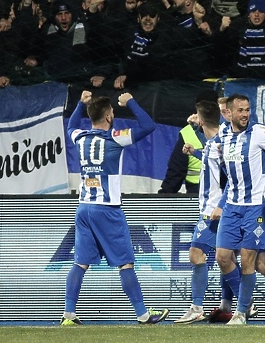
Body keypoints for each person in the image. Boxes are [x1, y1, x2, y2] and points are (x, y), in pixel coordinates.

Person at [62, 90, 169, 325]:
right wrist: (130, 101)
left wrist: (80, 104)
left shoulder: (80, 137)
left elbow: (70, 126)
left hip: (84, 207)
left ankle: (68, 314)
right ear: (109, 117)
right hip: (107, 209)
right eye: (112, 113)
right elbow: (148, 126)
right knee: (125, 262)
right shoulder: (115, 137)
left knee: (80, 262)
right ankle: (142, 315)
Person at [215, 94, 265, 325]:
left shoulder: (259, 132)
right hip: (231, 205)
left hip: (256, 207)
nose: (245, 114)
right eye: (240, 110)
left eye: (247, 110)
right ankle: (249, 302)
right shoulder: (223, 134)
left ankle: (241, 312)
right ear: (229, 113)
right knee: (222, 257)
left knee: (250, 261)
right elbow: (213, 137)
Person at [174, 99, 227, 323]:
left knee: (198, 254)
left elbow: (233, 179)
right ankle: (235, 304)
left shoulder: (223, 141)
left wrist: (221, 205)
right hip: (210, 208)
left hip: (213, 210)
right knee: (227, 259)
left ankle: (197, 307)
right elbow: (211, 161)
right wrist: (196, 152)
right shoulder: (214, 142)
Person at [158, 89, 219, 194]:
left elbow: (176, 171)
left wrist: (165, 196)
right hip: (220, 191)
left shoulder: (187, 132)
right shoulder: (228, 128)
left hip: (197, 192)